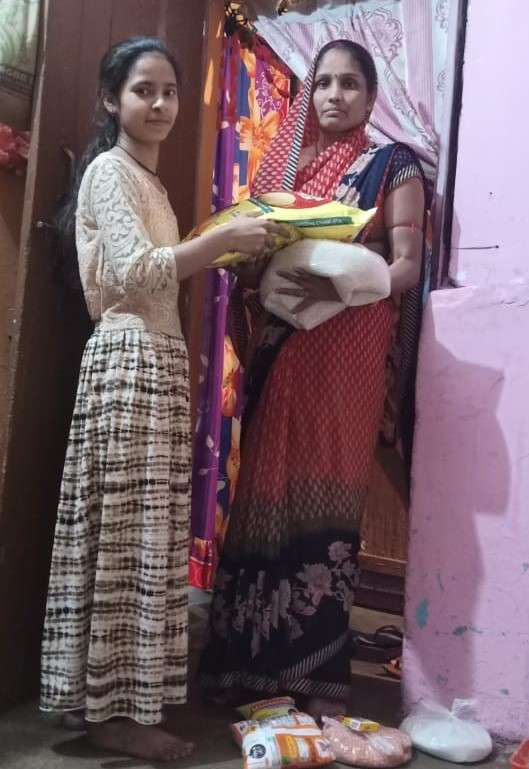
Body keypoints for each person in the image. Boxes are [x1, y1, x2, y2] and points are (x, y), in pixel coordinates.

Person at [39, 37, 285, 763]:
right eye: (143, 90)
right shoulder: (109, 175)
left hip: (159, 365)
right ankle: (111, 713)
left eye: (170, 91)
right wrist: (218, 242)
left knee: (145, 542)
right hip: (125, 361)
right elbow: (144, 273)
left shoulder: (155, 186)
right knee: (123, 539)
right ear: (112, 100)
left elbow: (162, 272)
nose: (159, 104)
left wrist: (231, 242)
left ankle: (126, 703)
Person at [199, 39, 427, 719]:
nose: (333, 95)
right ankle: (242, 663)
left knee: (323, 493)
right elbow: (246, 258)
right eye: (322, 83)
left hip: (347, 352)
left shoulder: (393, 164)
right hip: (284, 344)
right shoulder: (282, 170)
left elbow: (408, 265)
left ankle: (306, 670)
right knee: (264, 486)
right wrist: (248, 261)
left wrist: (350, 275)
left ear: (371, 94)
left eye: (349, 83)